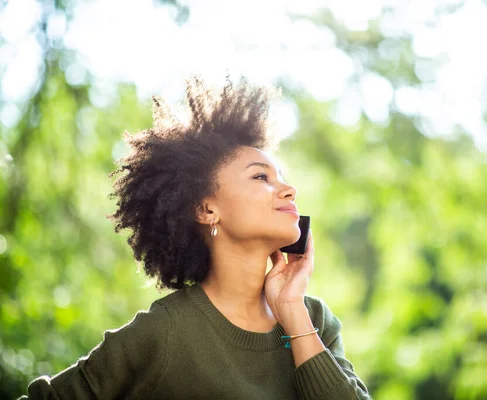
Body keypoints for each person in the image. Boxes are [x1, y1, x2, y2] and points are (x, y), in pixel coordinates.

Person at [20, 76, 372, 399]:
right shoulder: (164, 331)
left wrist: (293, 311)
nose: (289, 190)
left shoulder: (314, 319)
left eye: (282, 177)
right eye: (261, 177)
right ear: (206, 210)